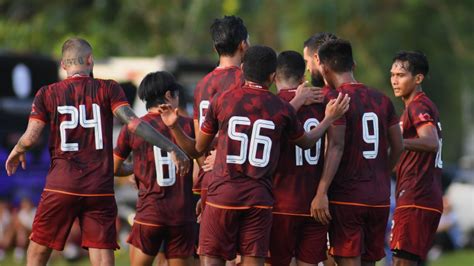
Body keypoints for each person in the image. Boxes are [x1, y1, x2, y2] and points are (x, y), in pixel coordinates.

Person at [4, 38, 190, 266]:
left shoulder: (47, 93)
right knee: (102, 255)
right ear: (90, 61)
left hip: (62, 184)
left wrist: (18, 150)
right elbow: (132, 123)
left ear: (63, 65)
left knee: (38, 250)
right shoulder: (108, 88)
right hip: (98, 188)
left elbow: (31, 137)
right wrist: (171, 146)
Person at [159, 45, 350, 266]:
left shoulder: (222, 101)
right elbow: (306, 142)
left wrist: (174, 127)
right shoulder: (281, 108)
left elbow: (196, 149)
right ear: (271, 76)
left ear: (242, 69)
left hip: (223, 195)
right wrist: (327, 119)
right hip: (259, 200)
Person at [311, 39, 403, 266]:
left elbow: (336, 145)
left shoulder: (335, 100)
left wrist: (321, 191)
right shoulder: (382, 100)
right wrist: (383, 171)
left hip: (348, 197)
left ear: (323, 68)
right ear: (353, 63)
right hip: (379, 198)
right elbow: (399, 145)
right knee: (369, 262)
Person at [114, 71, 196, 266]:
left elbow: (115, 167)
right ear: (169, 95)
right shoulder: (188, 126)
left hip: (150, 214)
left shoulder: (133, 128)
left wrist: (137, 169)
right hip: (181, 215)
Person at [268, 50, 329, 266]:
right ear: (303, 77)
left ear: (273, 76)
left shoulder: (271, 106)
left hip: (280, 203)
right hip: (314, 203)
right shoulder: (321, 103)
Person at [389, 51, 443, 266]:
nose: (394, 80)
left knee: (402, 262)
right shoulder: (416, 107)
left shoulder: (418, 106)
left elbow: (430, 142)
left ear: (418, 78)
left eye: (401, 75)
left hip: (417, 197)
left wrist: (396, 144)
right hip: (420, 196)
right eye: (392, 74)